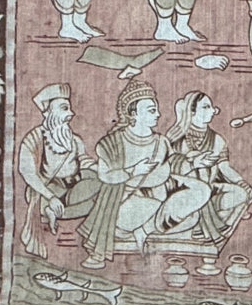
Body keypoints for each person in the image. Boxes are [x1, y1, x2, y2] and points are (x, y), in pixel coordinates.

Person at [79, 82, 210, 269]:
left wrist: (193, 163)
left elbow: (172, 164)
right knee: (184, 216)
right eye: (151, 110)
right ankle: (148, 227)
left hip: (159, 198)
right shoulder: (112, 143)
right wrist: (133, 171)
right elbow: (106, 176)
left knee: (202, 192)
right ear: (133, 114)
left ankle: (144, 230)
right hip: (126, 205)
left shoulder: (161, 142)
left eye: (156, 109)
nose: (158, 114)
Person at [17, 84, 99, 258]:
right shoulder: (34, 139)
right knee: (93, 201)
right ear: (48, 112)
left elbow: (84, 161)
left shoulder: (74, 140)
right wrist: (51, 197)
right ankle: (51, 207)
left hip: (75, 188)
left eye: (69, 108)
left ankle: (58, 210)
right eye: (64, 108)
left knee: (104, 186)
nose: (71, 114)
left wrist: (102, 171)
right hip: (48, 190)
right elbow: (27, 172)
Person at [165, 92, 252, 247]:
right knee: (199, 181)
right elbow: (167, 168)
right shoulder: (176, 139)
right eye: (206, 107)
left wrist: (242, 183)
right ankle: (207, 223)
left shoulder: (217, 140)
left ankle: (202, 214)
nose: (213, 111)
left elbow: (224, 167)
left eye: (211, 107)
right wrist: (191, 162)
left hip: (210, 187)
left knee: (241, 194)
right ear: (192, 112)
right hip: (182, 191)